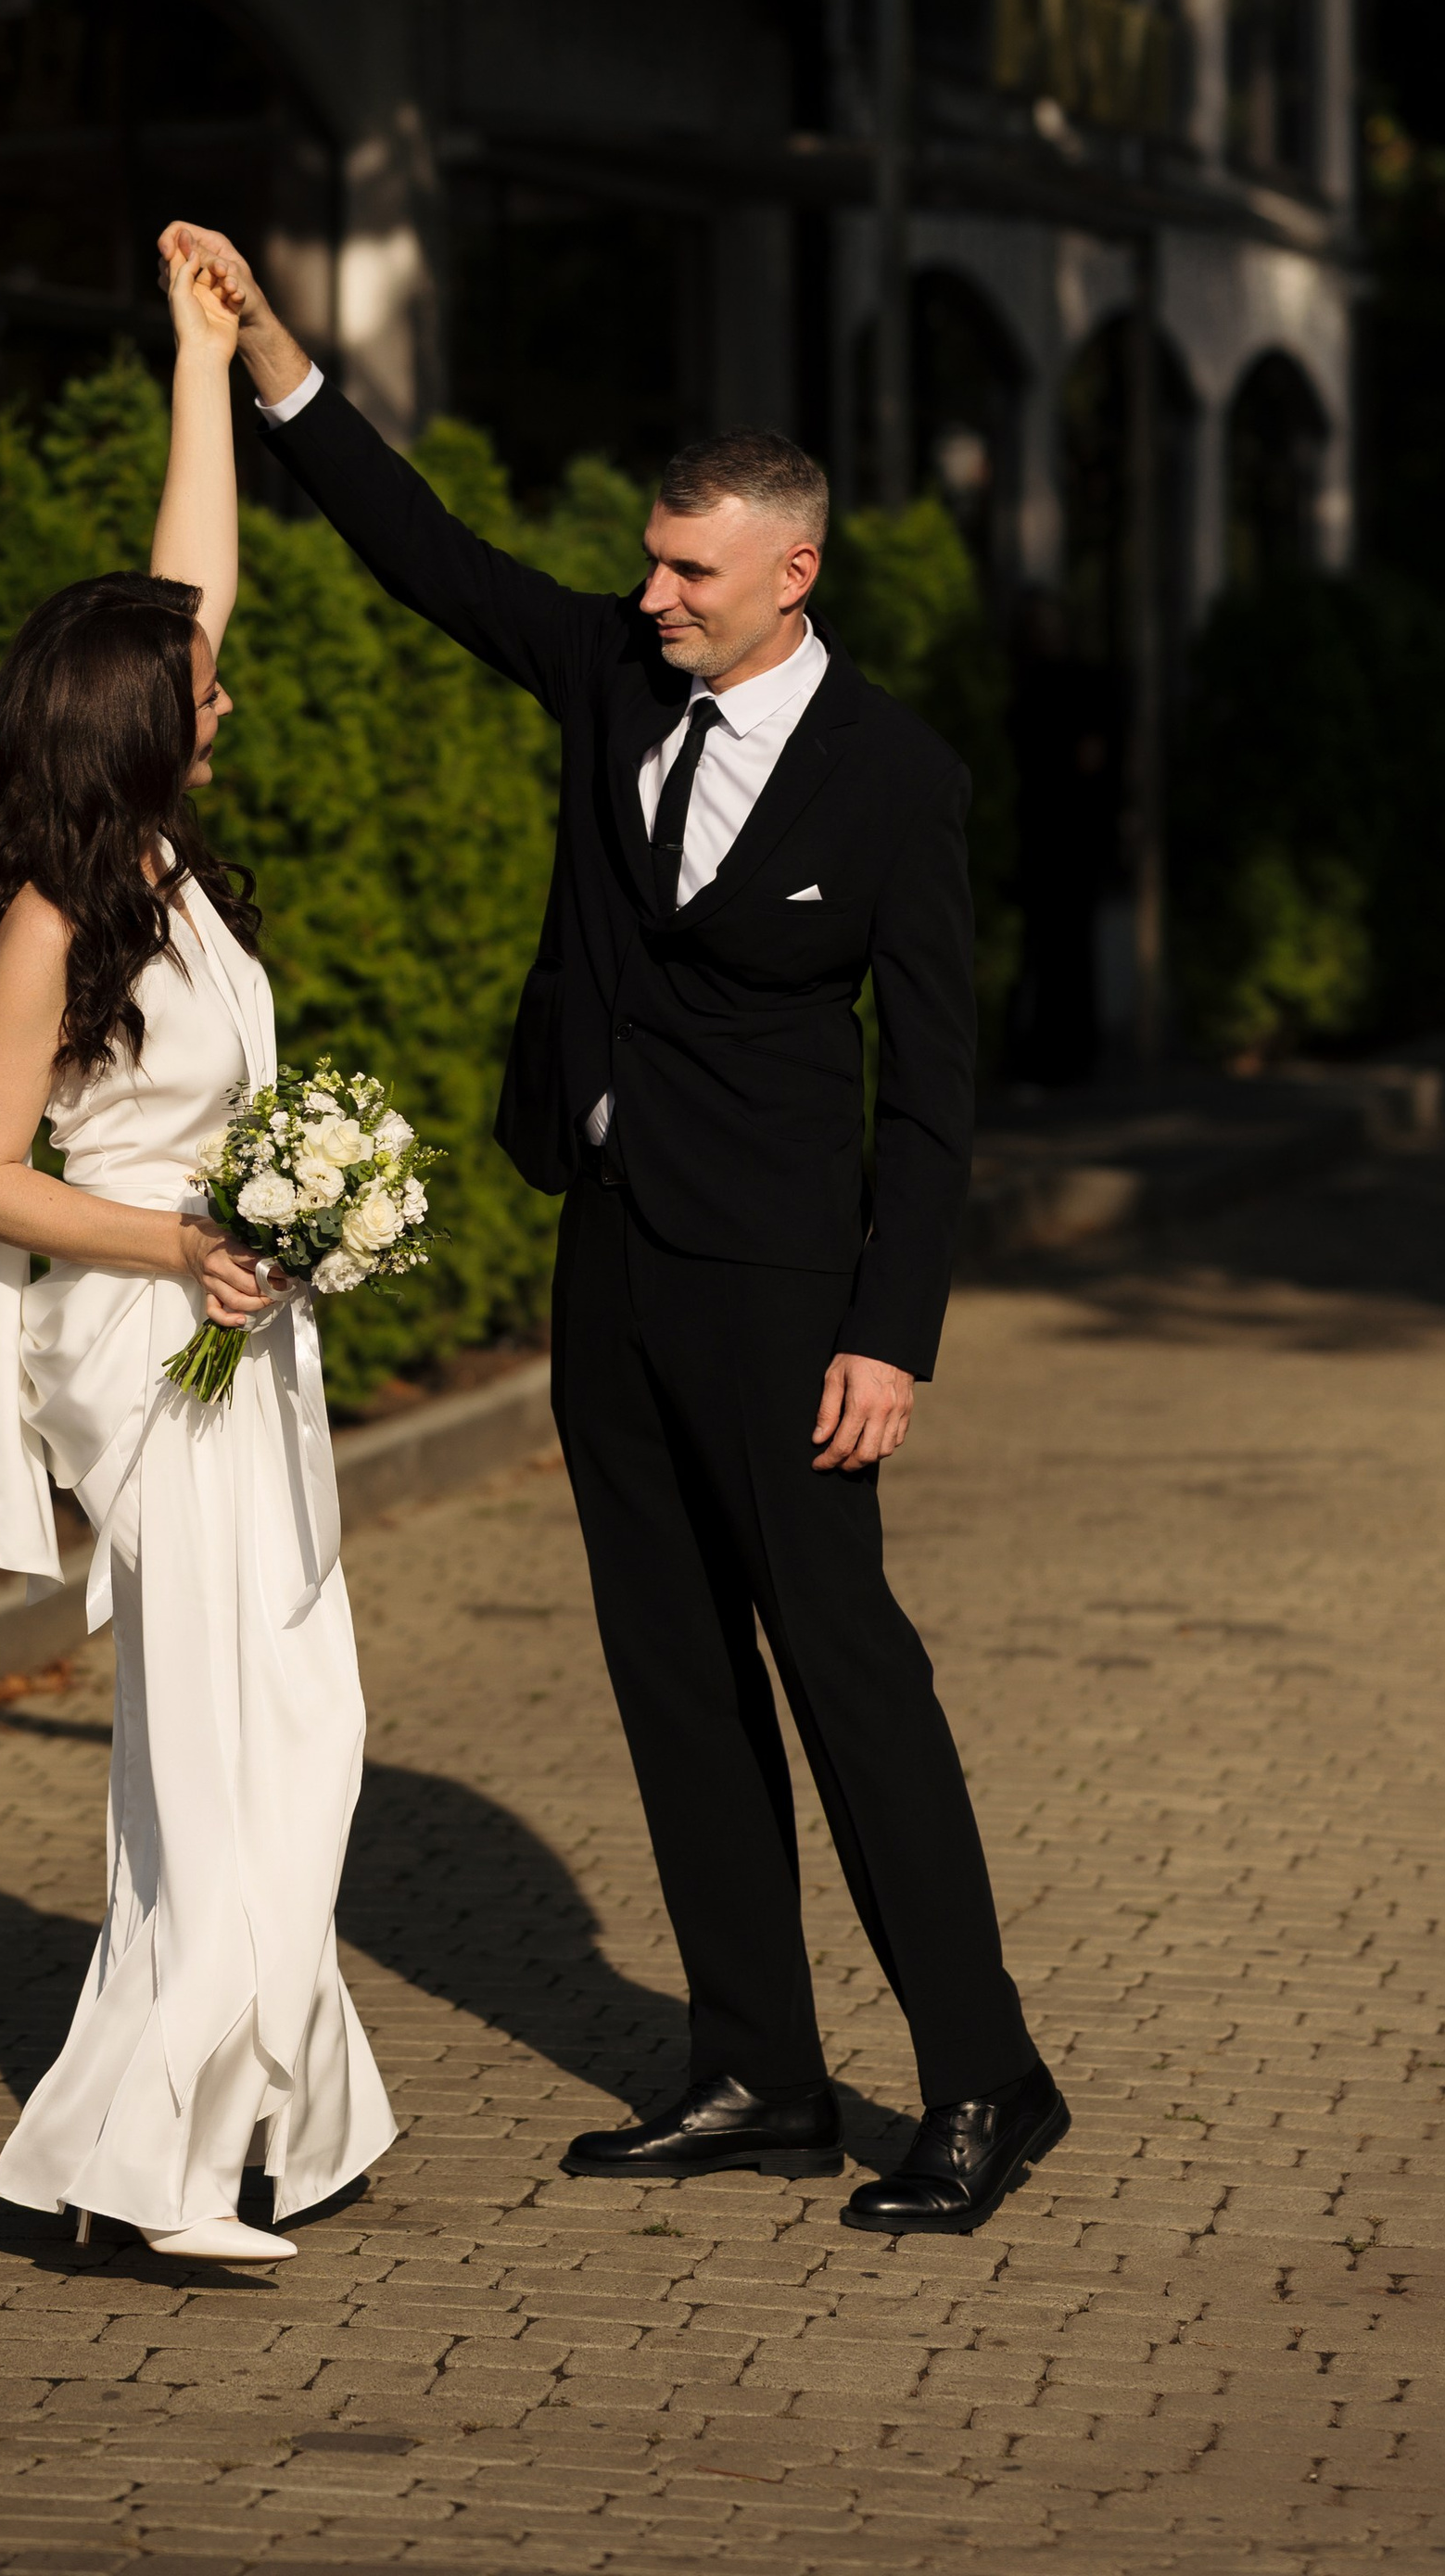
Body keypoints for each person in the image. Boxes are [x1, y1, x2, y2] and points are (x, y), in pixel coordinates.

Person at [155, 216, 1067, 2240]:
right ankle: (747, 2059)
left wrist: (887, 1330)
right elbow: (425, 551)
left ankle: (984, 2074)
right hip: (613, 1262)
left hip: (785, 1293)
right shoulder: (605, 668)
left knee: (845, 1674)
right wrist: (264, 358)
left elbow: (928, 1090)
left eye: (686, 572)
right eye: (649, 563)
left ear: (788, 577)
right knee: (668, 1671)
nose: (647, 593)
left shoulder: (893, 779)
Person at [0, 251, 395, 2266]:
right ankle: (145, 2168)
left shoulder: (162, 864)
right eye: (195, 688)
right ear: (133, 727)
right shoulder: (58, 910)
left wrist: (201, 361)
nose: (224, 683)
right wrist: (181, 1233)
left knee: (290, 1727)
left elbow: (193, 588)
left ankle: (264, 2111)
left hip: (233, 1324)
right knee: (241, 1748)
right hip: (144, 1342)